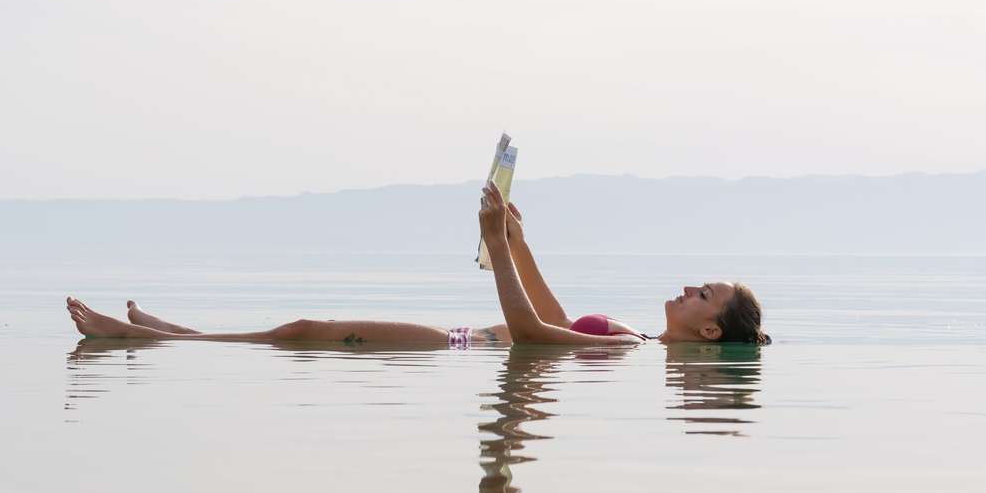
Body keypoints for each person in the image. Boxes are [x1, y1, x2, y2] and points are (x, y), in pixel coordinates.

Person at [65, 182, 770, 346]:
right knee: (304, 329)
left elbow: (531, 334)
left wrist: (497, 248)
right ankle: (165, 334)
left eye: (703, 293)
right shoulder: (633, 339)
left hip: (456, 346)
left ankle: (142, 337)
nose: (688, 287)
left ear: (711, 329)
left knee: (304, 330)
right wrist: (518, 240)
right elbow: (553, 320)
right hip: (463, 340)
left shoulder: (627, 353)